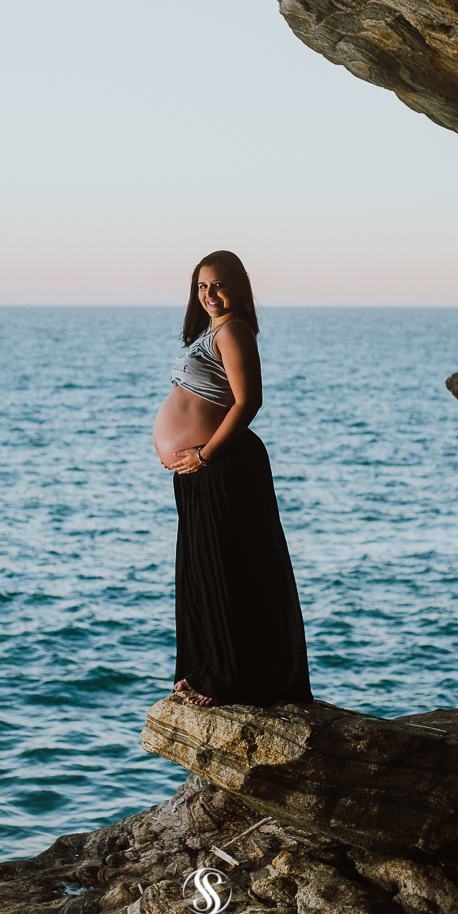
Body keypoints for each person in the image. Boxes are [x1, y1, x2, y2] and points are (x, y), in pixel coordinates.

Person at [153, 250, 313, 708]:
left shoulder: (236, 331)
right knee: (202, 572)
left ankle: (230, 678)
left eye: (219, 285)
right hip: (201, 469)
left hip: (221, 464)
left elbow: (248, 402)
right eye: (202, 286)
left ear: (239, 288)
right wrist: (196, 459)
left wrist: (204, 454)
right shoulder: (212, 333)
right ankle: (207, 667)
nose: (210, 294)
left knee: (228, 572)